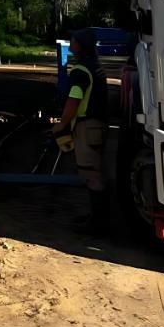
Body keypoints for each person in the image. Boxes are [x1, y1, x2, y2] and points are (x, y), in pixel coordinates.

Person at [52, 27, 110, 233]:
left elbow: (73, 100)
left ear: (79, 45)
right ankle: (97, 218)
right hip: (97, 124)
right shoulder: (95, 66)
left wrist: (62, 124)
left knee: (91, 175)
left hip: (86, 126)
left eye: (73, 40)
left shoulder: (80, 71)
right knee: (95, 171)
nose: (71, 43)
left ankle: (99, 224)